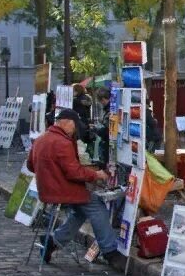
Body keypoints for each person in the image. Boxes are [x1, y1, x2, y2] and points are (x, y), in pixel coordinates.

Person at [28, 109, 119, 264]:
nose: (75, 130)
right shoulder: (62, 142)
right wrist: (96, 175)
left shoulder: (40, 139)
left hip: (46, 189)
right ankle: (110, 251)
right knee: (96, 206)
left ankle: (53, 241)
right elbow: (74, 173)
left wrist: (50, 172)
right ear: (68, 123)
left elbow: (31, 165)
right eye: (75, 126)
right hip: (62, 190)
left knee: (79, 211)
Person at [93, 87, 111, 164]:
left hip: (108, 142)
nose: (100, 103)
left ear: (103, 99)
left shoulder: (109, 110)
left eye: (100, 101)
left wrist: (96, 129)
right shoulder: (108, 109)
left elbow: (107, 130)